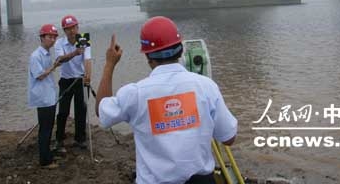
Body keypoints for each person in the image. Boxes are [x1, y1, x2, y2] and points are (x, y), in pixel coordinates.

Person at [96, 16, 237, 184]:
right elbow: (229, 137)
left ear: (148, 56)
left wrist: (109, 64)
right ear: (180, 50)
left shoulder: (135, 94)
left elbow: (102, 112)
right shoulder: (206, 87)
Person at [54, 14, 92, 151]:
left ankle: (80, 139)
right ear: (64, 31)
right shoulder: (59, 43)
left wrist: (88, 76)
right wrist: (74, 53)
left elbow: (88, 60)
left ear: (77, 27)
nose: (71, 31)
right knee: (63, 111)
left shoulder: (83, 40)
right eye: (68, 28)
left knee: (81, 110)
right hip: (66, 80)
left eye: (73, 27)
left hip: (81, 80)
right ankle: (59, 139)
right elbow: (59, 60)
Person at [27, 24, 61, 168]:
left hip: (49, 97)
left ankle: (47, 154)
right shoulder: (36, 56)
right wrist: (54, 66)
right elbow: (40, 75)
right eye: (49, 37)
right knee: (45, 129)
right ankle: (44, 160)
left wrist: (53, 65)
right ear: (42, 38)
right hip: (43, 99)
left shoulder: (46, 53)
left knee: (48, 126)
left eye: (54, 37)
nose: (52, 40)